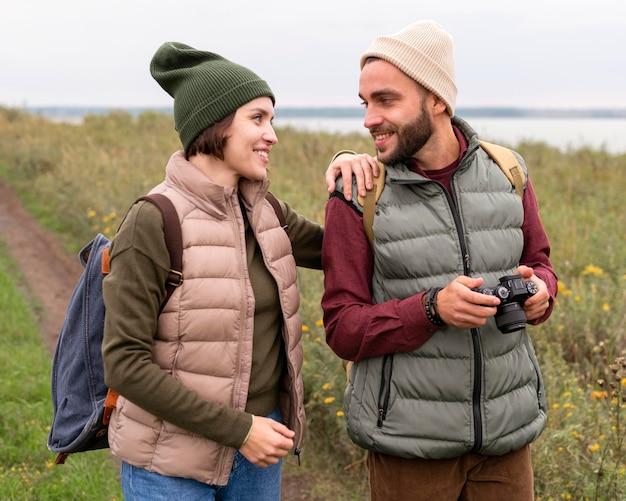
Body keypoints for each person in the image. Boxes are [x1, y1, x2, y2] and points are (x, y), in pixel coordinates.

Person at [101, 42, 365, 501]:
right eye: (257, 118)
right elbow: (124, 363)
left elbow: (343, 252)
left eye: (272, 120)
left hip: (260, 449)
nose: (272, 135)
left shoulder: (266, 210)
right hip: (172, 462)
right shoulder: (154, 218)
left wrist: (352, 178)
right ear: (215, 125)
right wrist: (238, 429)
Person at [321, 21, 558, 500]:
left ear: (438, 100)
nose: (369, 119)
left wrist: (541, 293)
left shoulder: (508, 171)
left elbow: (541, 263)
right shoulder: (358, 194)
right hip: (410, 447)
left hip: (506, 442)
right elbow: (343, 329)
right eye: (364, 103)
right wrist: (430, 309)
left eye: (385, 100)